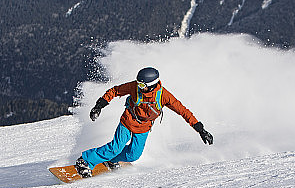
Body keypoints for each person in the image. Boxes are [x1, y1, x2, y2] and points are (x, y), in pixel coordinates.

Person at [75, 67, 213, 177]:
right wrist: (99, 106)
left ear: (151, 85)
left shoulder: (164, 96)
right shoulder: (134, 87)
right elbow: (115, 91)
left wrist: (201, 130)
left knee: (133, 155)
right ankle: (85, 161)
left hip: (144, 127)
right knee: (115, 147)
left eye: (142, 84)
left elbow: (183, 111)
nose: (139, 86)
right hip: (128, 120)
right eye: (138, 82)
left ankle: (111, 160)